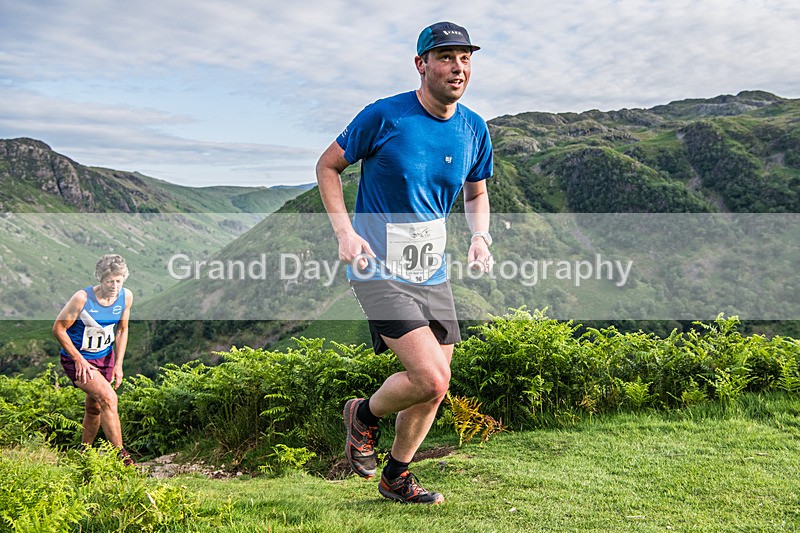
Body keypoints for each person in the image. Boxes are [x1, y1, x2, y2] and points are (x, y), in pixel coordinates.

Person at [316, 21, 493, 504]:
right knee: (429, 376)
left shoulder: (474, 128)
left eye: (465, 58)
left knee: (436, 388)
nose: (458, 67)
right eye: (446, 57)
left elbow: (476, 192)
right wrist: (345, 232)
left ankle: (396, 476)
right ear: (421, 64)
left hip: (432, 270)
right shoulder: (384, 116)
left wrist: (480, 237)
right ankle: (364, 416)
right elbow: (327, 166)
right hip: (377, 267)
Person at [53, 254, 134, 464]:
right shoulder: (82, 298)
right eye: (109, 281)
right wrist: (78, 359)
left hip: (105, 358)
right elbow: (58, 328)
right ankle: (122, 459)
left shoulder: (126, 297)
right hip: (78, 360)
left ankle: (84, 453)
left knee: (95, 407)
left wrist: (118, 365)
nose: (114, 286)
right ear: (100, 279)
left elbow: (122, 330)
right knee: (109, 398)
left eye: (118, 280)